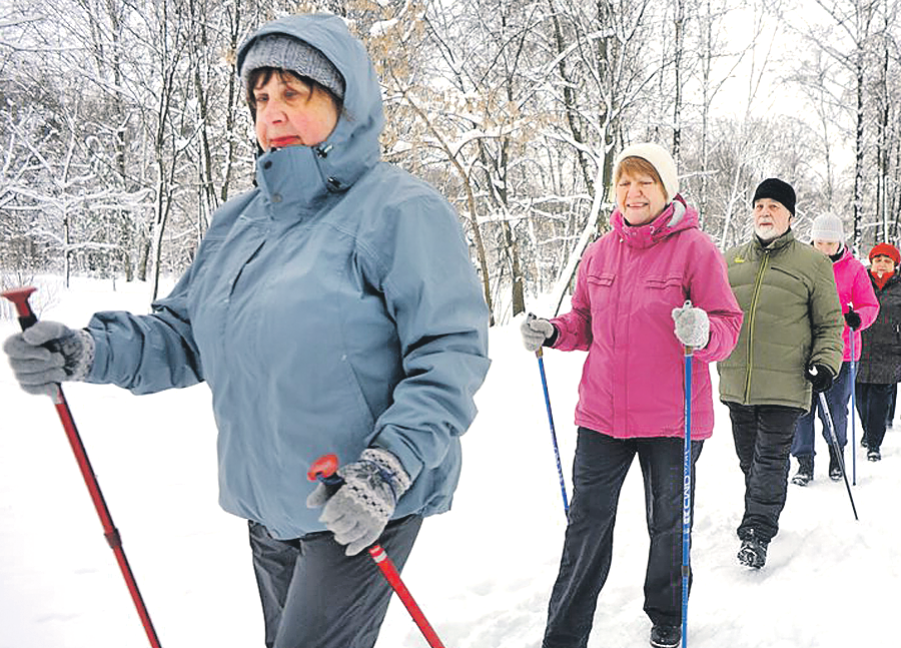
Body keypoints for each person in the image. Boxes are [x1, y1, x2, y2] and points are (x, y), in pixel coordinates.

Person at [3, 14, 490, 648]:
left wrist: (385, 469)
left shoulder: (401, 210)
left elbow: (450, 354)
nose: (274, 112)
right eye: (261, 97)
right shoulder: (239, 222)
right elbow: (182, 335)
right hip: (270, 497)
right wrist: (86, 351)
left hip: (362, 497)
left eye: (294, 93)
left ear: (344, 103)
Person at [521, 143, 742, 648]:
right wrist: (554, 332)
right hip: (602, 415)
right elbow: (583, 322)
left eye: (644, 182)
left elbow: (729, 326)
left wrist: (704, 330)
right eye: (624, 182)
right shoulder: (600, 250)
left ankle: (667, 613)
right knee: (585, 528)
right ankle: (564, 635)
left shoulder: (696, 249)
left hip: (673, 419)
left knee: (667, 525)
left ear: (666, 190)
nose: (632, 192)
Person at [717, 178, 843, 570]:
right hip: (738, 381)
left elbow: (830, 323)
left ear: (790, 214)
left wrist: (826, 362)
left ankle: (756, 531)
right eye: (759, 206)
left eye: (774, 206)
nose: (765, 212)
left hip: (787, 383)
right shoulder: (730, 260)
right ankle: (761, 508)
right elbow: (714, 313)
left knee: (770, 459)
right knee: (748, 460)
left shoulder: (813, 263)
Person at [789, 213, 878, 485]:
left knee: (837, 409)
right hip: (805, 350)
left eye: (829, 244)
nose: (824, 250)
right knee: (803, 409)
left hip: (844, 352)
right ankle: (804, 461)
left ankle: (836, 454)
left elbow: (870, 305)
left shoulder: (854, 270)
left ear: (840, 241)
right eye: (819, 243)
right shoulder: (801, 264)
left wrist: (858, 318)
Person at [856, 243, 901, 462]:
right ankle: (867, 429)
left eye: (887, 260)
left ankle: (874, 443)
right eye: (878, 260)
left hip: (889, 351)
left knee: (880, 400)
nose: (882, 264)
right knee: (861, 399)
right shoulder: (861, 282)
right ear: (871, 262)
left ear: (895, 265)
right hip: (859, 349)